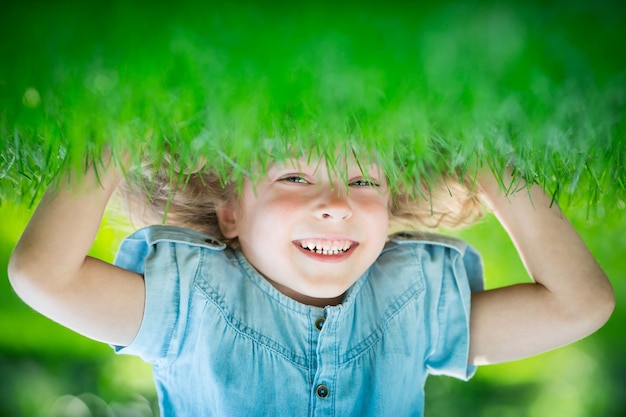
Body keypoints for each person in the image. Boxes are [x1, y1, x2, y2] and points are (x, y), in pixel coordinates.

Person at [8, 149, 615, 416]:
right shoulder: (187, 299)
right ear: (231, 213)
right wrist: (113, 144)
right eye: (294, 176)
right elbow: (43, 276)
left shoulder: (414, 298)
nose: (335, 205)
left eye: (365, 182)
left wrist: (488, 166)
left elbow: (580, 304)